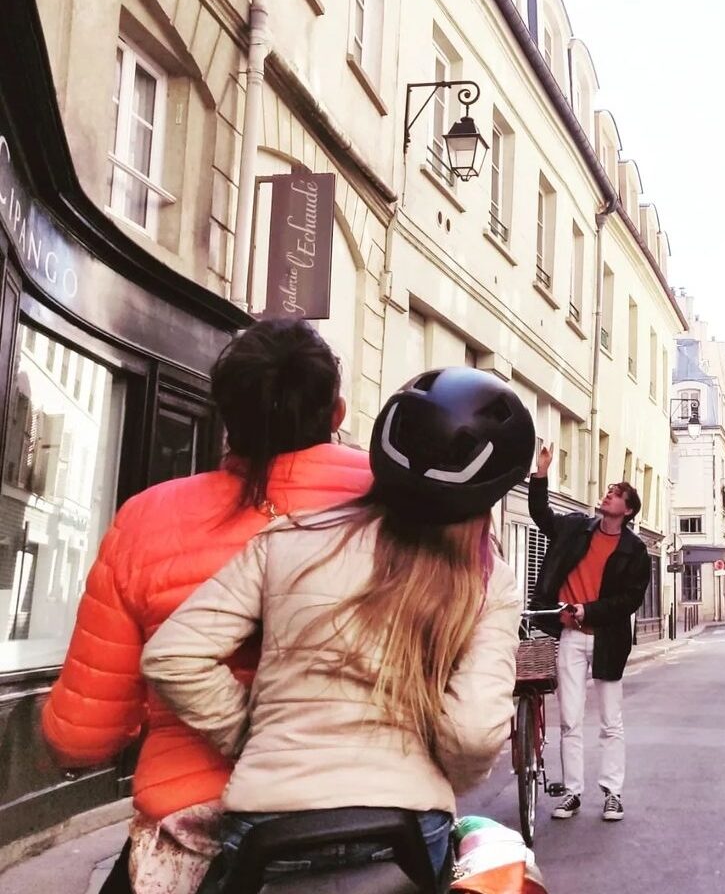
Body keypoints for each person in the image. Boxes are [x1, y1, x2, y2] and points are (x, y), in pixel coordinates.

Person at [141, 366, 535, 892]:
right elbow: (473, 730)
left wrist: (249, 732)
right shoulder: (487, 581)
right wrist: (441, 779)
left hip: (268, 822)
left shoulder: (290, 539)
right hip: (406, 827)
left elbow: (173, 654)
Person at [40, 319, 373, 894]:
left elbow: (82, 735)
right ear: (337, 413)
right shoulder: (394, 505)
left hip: (192, 825)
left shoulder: (146, 519)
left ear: (227, 418)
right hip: (369, 813)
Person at [528, 443, 650, 823]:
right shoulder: (576, 527)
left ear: (626, 510)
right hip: (571, 636)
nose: (607, 495)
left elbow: (631, 599)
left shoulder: (635, 550)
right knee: (569, 719)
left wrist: (590, 609)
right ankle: (572, 793)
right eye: (608, 491)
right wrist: (541, 473)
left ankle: (612, 792)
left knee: (611, 721)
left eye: (615, 494)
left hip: (607, 640)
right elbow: (540, 515)